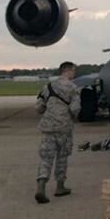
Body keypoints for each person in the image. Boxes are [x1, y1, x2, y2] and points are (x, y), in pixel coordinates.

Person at [34, 61, 81, 203]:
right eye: (74, 71)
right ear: (69, 71)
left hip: (48, 127)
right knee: (62, 157)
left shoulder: (48, 86)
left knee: (46, 157)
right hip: (64, 128)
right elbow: (75, 109)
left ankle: (41, 186)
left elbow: (39, 107)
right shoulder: (74, 88)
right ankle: (60, 187)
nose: (74, 74)